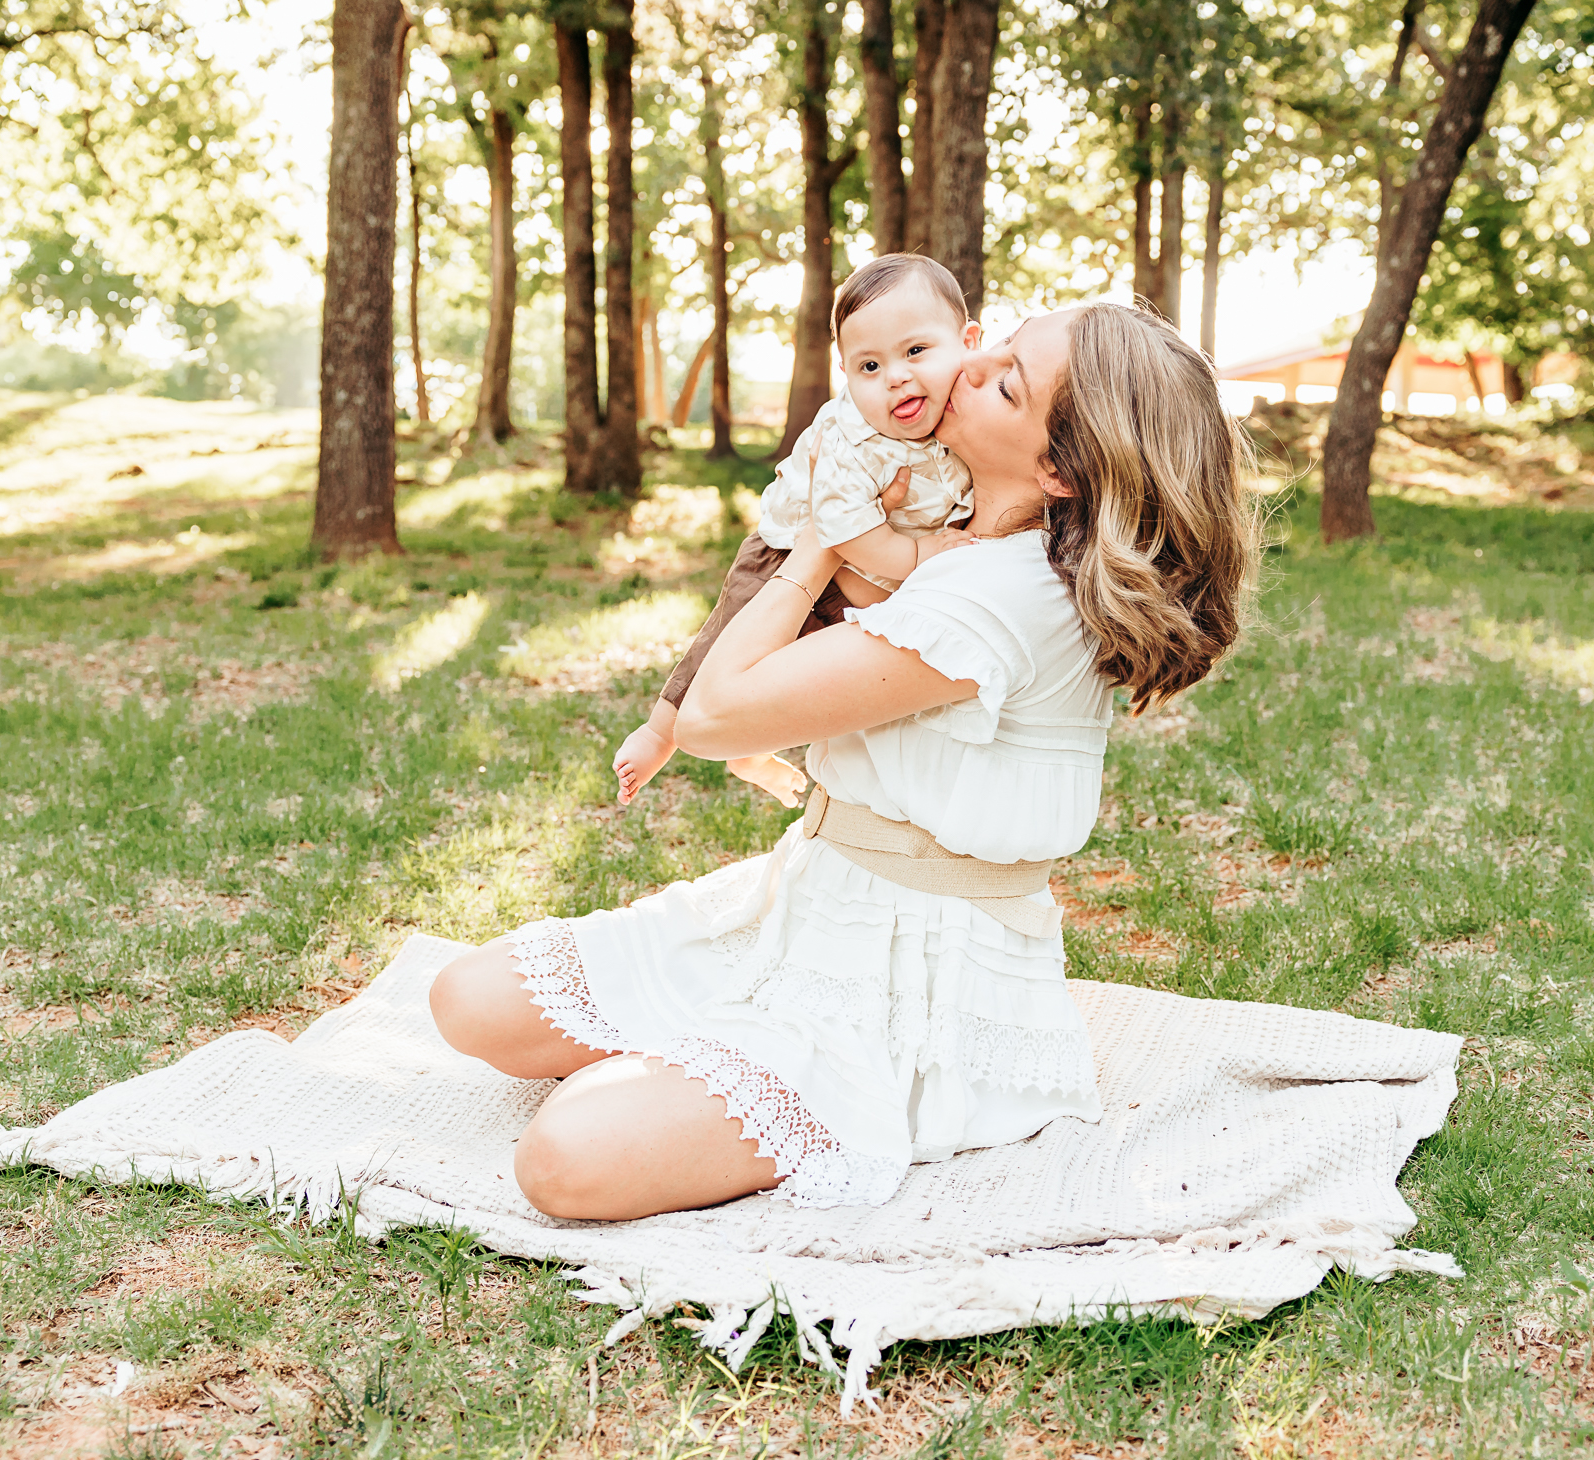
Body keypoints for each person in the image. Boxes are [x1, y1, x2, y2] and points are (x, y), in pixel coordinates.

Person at [429, 303, 1254, 1220]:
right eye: (997, 346)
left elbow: (713, 716)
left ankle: (707, 1079)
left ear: (1057, 468)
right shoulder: (971, 538)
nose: (969, 367)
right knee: (470, 1000)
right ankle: (692, 1064)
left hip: (909, 983)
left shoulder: (1000, 598)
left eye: (1007, 382)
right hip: (815, 897)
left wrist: (821, 535)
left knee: (565, 1160)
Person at [612, 254, 981, 811]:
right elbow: (843, 530)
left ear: (968, 342)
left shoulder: (962, 419)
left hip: (864, 574)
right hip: (786, 554)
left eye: (915, 351)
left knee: (794, 675)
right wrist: (918, 553)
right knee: (727, 640)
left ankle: (751, 750)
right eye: (869, 367)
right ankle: (659, 733)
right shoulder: (850, 436)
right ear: (847, 375)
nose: (896, 376)